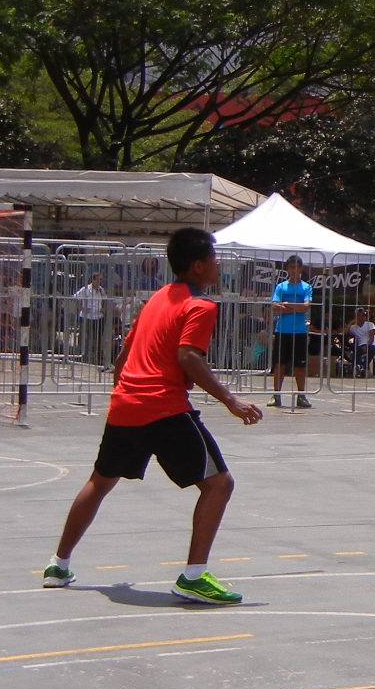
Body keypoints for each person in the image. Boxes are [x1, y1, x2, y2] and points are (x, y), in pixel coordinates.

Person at [42, 227, 264, 604]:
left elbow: (123, 358)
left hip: (127, 404)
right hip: (163, 408)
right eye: (213, 258)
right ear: (197, 267)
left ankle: (58, 565)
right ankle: (193, 576)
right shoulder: (201, 306)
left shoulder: (158, 299)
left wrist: (123, 393)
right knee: (219, 485)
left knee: (100, 482)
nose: (218, 264)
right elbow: (188, 357)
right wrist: (231, 400)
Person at [270, 255, 314, 409]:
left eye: (296, 267)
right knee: (279, 364)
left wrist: (288, 305)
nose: (293, 270)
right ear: (287, 269)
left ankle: (301, 396)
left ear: (300, 269)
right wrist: (296, 307)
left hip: (300, 332)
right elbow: (275, 306)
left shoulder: (306, 287)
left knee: (300, 366)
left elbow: (306, 307)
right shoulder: (281, 287)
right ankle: (276, 396)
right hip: (282, 331)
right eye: (291, 267)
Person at [70, 273, 108, 365]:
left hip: (98, 317)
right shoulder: (85, 289)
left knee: (98, 338)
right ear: (93, 280)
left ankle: (97, 357)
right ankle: (83, 356)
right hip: (86, 317)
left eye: (101, 280)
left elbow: (105, 300)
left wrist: (103, 309)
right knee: (85, 337)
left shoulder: (101, 290)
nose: (100, 282)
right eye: (98, 280)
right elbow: (75, 297)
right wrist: (82, 308)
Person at [345, 309, 375, 376]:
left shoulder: (370, 324)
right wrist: (351, 322)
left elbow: (371, 338)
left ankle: (363, 367)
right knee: (355, 353)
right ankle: (360, 368)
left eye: (363, 315)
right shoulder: (353, 327)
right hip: (360, 346)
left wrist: (366, 346)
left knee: (373, 350)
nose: (361, 317)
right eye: (359, 315)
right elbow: (346, 332)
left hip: (370, 345)